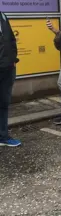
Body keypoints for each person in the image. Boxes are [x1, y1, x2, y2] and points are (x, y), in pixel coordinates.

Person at [0, 11, 21, 147]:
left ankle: (3, 136)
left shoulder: (2, 15)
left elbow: (11, 39)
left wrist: (13, 59)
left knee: (3, 103)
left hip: (7, 67)